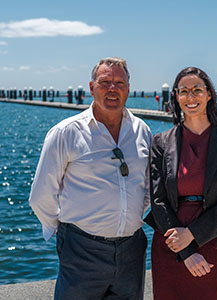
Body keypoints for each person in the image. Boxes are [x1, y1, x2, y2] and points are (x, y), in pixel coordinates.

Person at [29, 57, 152, 300]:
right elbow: (41, 195)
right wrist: (65, 230)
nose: (112, 88)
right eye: (105, 82)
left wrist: (131, 217)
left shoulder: (142, 130)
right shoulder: (66, 132)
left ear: (129, 88)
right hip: (81, 250)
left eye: (119, 82)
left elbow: (147, 187)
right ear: (91, 87)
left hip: (132, 250)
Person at [145, 67, 217, 300]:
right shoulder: (160, 142)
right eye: (184, 91)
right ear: (176, 97)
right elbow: (157, 200)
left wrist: (192, 234)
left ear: (209, 94)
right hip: (170, 241)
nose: (191, 97)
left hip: (216, 238)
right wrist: (186, 250)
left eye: (197, 90)